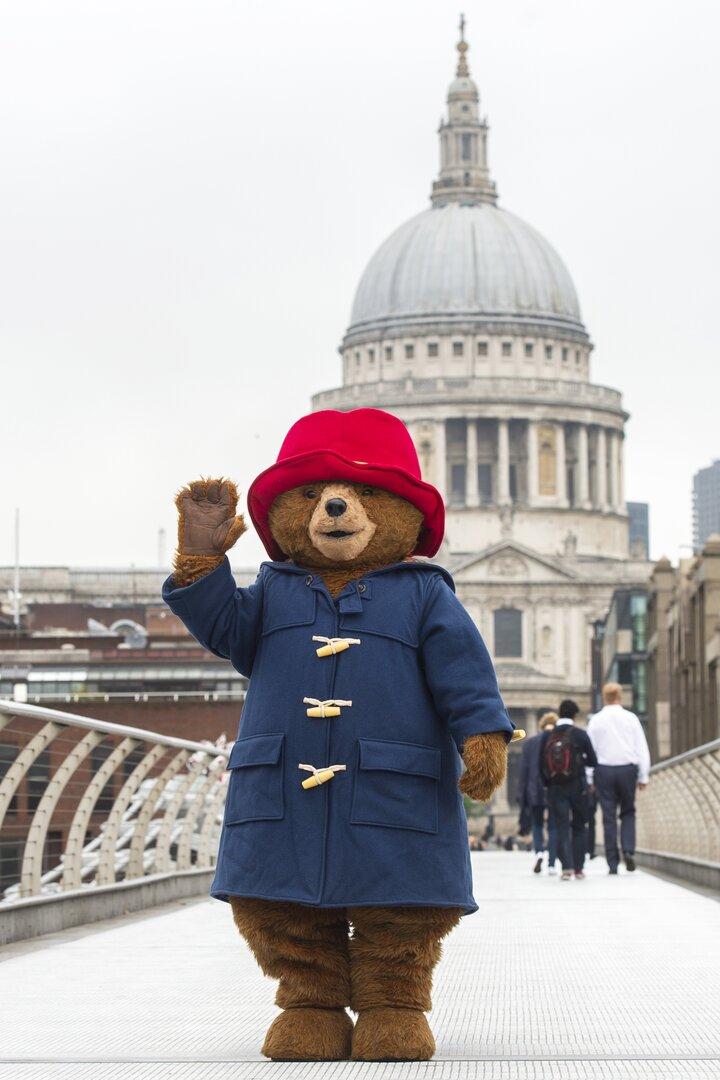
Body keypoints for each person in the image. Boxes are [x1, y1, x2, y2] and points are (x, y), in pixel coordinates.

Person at [588, 682, 651, 875]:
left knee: (608, 817)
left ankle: (612, 863)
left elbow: (590, 752)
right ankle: (629, 850)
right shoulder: (631, 718)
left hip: (604, 770)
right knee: (628, 811)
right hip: (627, 769)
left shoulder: (595, 720)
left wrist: (590, 778)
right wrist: (643, 775)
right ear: (620, 697)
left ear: (605, 698)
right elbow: (641, 747)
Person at [540, 700, 597, 881]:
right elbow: (594, 761)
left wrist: (548, 784)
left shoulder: (548, 735)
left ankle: (566, 868)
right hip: (577, 786)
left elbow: (541, 765)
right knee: (579, 826)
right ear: (575, 715)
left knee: (562, 826)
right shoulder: (580, 734)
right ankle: (579, 868)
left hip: (556, 788)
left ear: (560, 713)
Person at [518, 711, 559, 874]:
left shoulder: (529, 743)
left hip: (534, 790)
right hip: (554, 789)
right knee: (554, 827)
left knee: (537, 824)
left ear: (541, 726)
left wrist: (523, 793)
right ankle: (551, 864)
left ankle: (539, 852)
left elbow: (524, 771)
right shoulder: (558, 742)